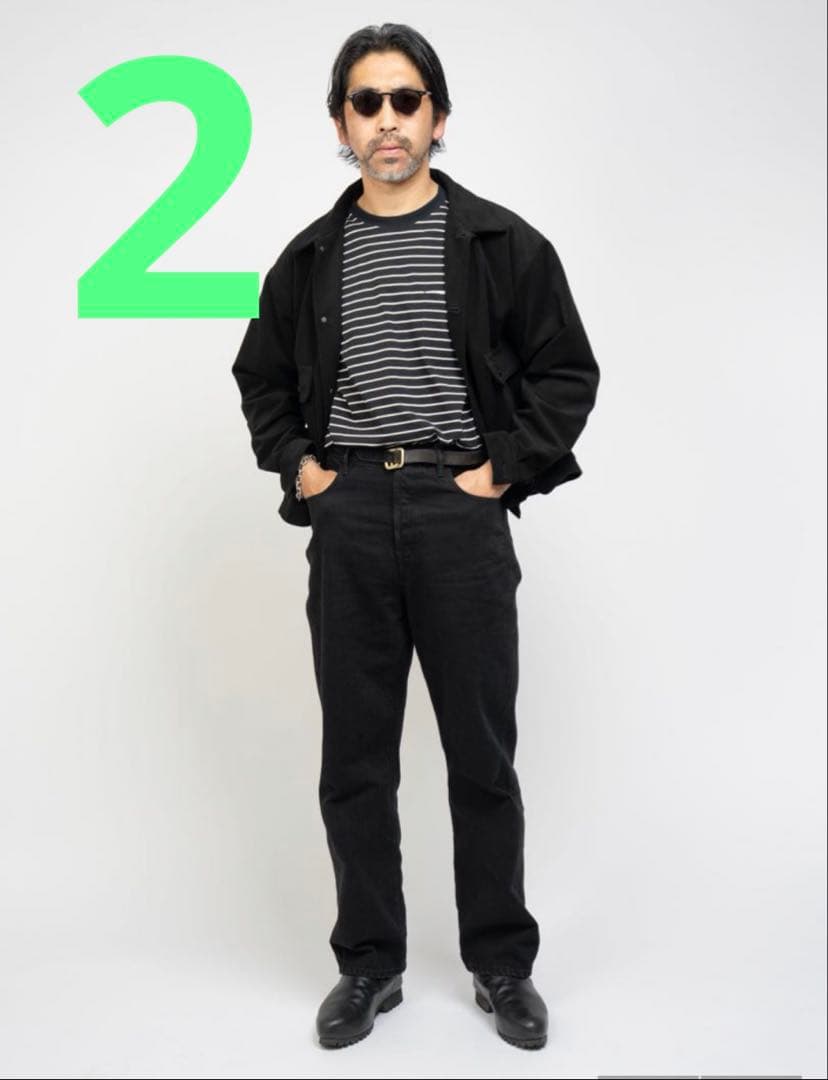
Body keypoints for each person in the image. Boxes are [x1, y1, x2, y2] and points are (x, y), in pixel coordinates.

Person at [231, 22, 600, 1051]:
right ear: (341, 123)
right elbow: (261, 378)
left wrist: (502, 467)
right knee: (356, 756)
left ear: (437, 116)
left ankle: (501, 963)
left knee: (481, 753)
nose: (386, 120)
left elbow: (568, 370)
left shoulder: (500, 244)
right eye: (367, 102)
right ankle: (369, 964)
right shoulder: (311, 257)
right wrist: (302, 466)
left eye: (405, 100)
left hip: (456, 511)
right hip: (349, 511)